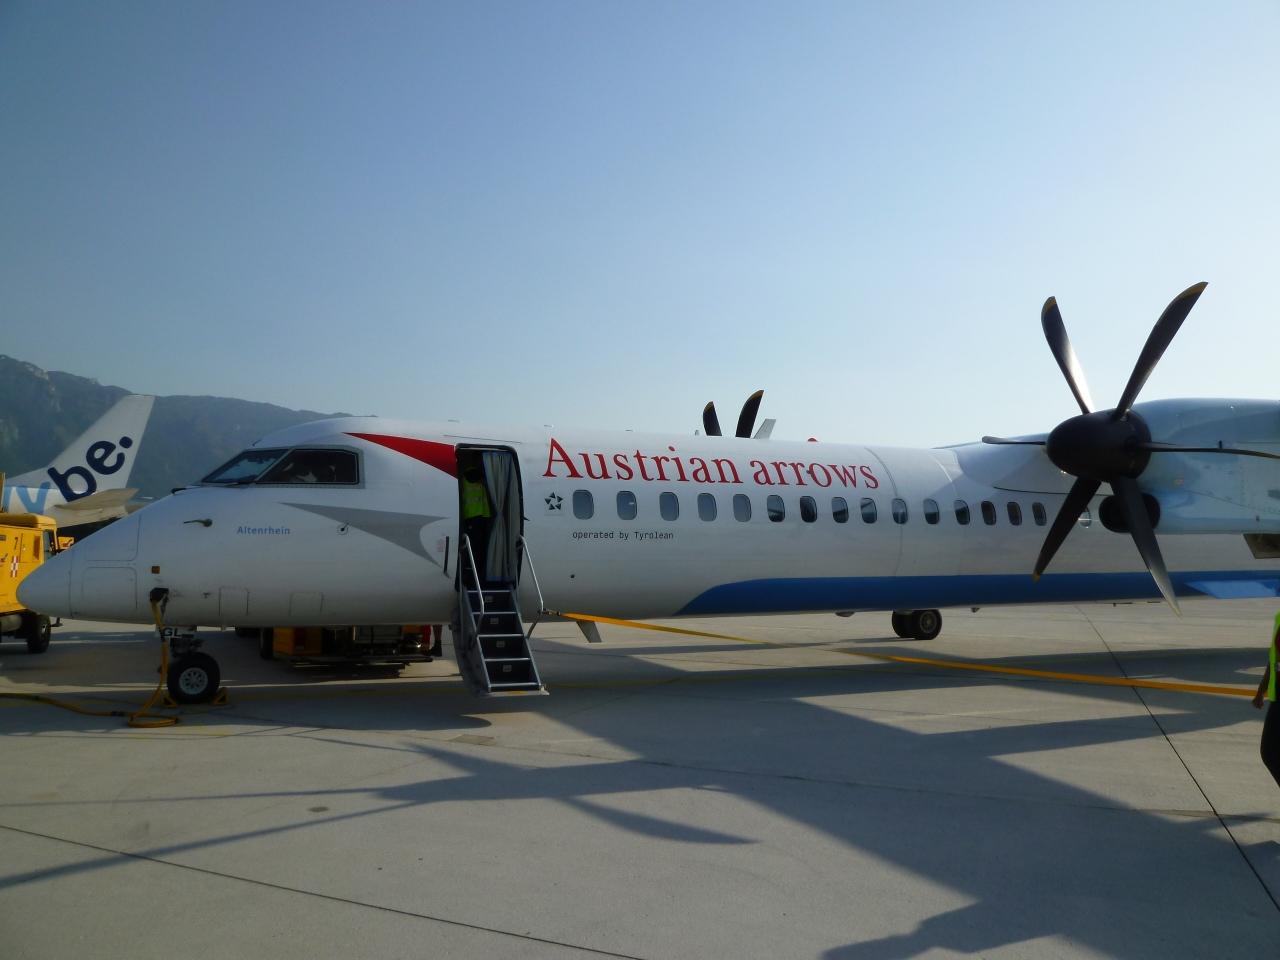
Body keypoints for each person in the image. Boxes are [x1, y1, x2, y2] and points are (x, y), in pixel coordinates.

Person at [1253, 612, 1280, 789]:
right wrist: (1261, 690)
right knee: (1269, 753)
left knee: (1270, 753)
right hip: (1278, 696)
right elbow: (1273, 659)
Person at [460, 464, 493, 584]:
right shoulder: (480, 482)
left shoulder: (463, 481)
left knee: (472, 547)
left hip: (469, 518)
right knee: (478, 548)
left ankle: (470, 573)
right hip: (479, 519)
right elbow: (484, 502)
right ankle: (475, 574)